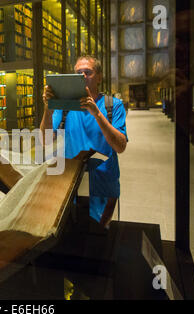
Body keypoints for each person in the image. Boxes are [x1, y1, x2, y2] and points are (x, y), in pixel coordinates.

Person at [40, 55, 128, 228]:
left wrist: (96, 113)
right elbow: (46, 141)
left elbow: (120, 146)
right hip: (69, 185)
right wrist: (48, 109)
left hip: (103, 187)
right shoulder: (65, 107)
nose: (83, 77)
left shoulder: (113, 105)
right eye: (78, 73)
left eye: (88, 72)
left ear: (100, 77)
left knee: (102, 239)